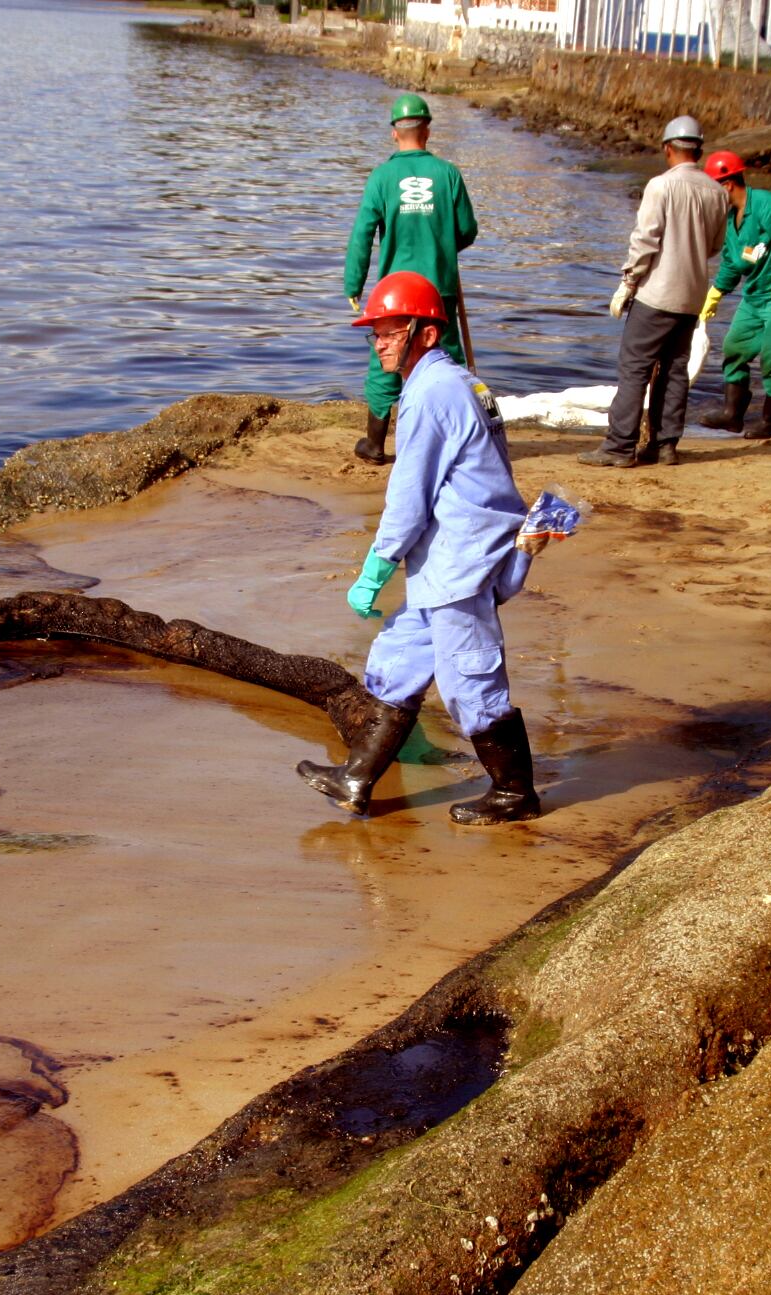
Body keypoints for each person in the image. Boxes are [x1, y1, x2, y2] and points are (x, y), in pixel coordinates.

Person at [296, 270, 541, 826]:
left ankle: (514, 794)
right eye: (375, 333)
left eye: (390, 332)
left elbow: (410, 496)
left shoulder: (432, 393)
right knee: (398, 660)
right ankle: (357, 777)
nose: (379, 344)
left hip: (461, 562)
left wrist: (377, 564)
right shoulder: (457, 383)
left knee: (469, 679)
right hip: (449, 556)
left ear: (425, 334)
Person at [581, 114, 729, 469]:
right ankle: (665, 446)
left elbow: (645, 241)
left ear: (667, 149)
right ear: (698, 150)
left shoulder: (661, 186)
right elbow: (715, 245)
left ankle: (620, 447)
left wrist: (629, 281)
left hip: (657, 294)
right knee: (675, 370)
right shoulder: (717, 192)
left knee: (635, 368)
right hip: (692, 295)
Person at [343, 93, 479, 465]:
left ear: (394, 133)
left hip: (396, 292)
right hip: (438, 285)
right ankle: (455, 437)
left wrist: (353, 284)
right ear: (427, 131)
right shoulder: (448, 174)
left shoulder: (382, 177)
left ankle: (375, 443)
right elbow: (467, 229)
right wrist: (443, 246)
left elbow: (362, 234)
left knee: (386, 356)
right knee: (445, 356)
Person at [696, 149, 771, 440]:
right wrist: (716, 293)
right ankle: (733, 414)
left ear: (727, 185)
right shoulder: (729, 221)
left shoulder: (765, 204)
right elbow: (733, 263)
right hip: (755, 295)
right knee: (735, 346)